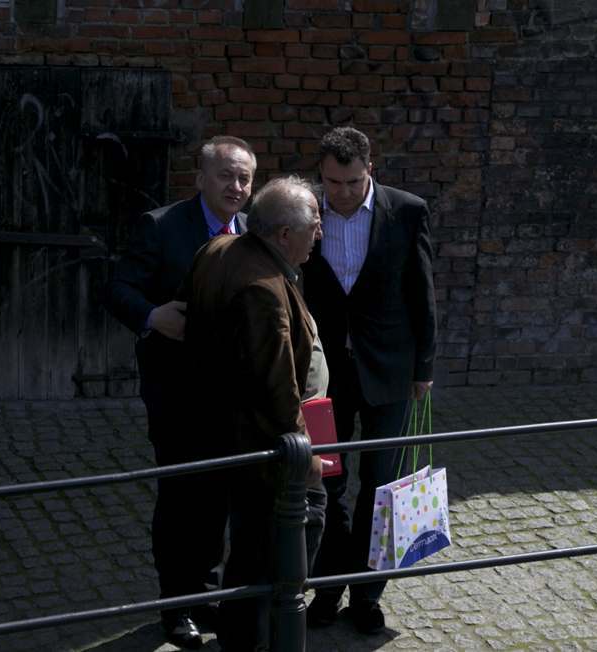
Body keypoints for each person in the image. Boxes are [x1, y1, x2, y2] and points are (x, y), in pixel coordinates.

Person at [103, 135, 257, 650]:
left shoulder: (251, 231)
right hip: (176, 390)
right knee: (181, 498)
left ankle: (205, 594)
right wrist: (153, 316)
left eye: (245, 179)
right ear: (201, 178)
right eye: (226, 176)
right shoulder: (162, 226)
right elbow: (117, 289)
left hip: (233, 393)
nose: (236, 186)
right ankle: (176, 606)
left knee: (218, 495)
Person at [178, 176, 325, 651]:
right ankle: (260, 640)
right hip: (262, 445)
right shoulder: (264, 287)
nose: (319, 233)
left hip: (220, 427)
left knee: (248, 545)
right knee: (276, 544)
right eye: (313, 225)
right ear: (284, 234)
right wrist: (305, 454)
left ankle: (243, 633)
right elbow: (276, 385)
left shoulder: (218, 249)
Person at [301, 126, 437, 634]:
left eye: (353, 182)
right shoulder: (303, 213)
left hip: (390, 372)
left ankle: (366, 594)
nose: (342, 192)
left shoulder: (407, 211)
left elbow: (422, 292)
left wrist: (424, 369)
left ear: (370, 171)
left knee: (380, 487)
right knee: (326, 484)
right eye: (333, 182)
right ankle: (326, 589)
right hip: (323, 378)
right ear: (321, 175)